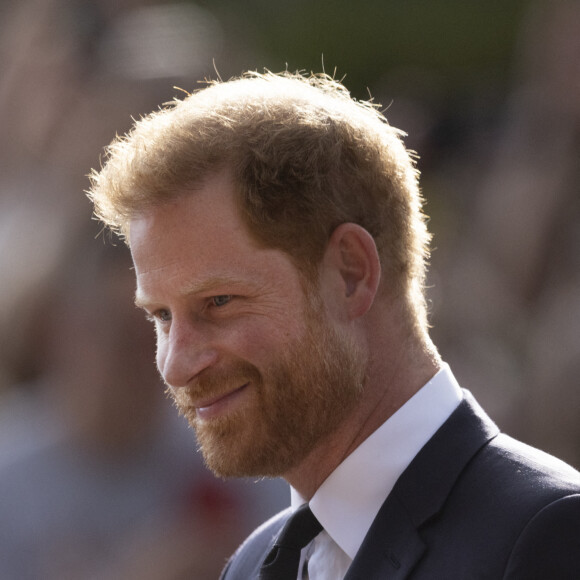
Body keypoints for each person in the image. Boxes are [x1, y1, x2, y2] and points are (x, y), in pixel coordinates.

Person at [87, 71, 580, 579]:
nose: (175, 365)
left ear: (350, 274)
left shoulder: (545, 534)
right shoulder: (254, 564)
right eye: (162, 317)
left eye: (218, 302)